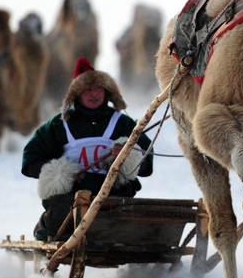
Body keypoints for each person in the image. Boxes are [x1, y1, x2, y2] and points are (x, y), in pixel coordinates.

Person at [21, 57, 153, 241]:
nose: (94, 94)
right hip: (71, 199)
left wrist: (128, 155)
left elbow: (147, 164)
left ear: (106, 92)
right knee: (61, 212)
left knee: (128, 215)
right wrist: (60, 171)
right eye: (87, 90)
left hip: (115, 195)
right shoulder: (59, 125)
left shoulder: (122, 123)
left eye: (98, 89)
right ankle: (46, 226)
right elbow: (30, 160)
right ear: (76, 94)